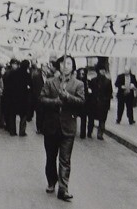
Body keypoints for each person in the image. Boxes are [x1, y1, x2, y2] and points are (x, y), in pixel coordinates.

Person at [40, 55, 85, 201]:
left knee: (65, 160)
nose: (66, 66)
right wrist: (55, 101)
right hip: (51, 126)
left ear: (73, 67)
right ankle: (51, 182)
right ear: (59, 66)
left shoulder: (78, 84)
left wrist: (68, 97)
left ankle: (63, 189)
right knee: (51, 158)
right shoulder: (50, 82)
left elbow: (82, 102)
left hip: (68, 127)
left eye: (69, 63)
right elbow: (41, 99)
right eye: (63, 63)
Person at [7, 60, 32, 137]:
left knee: (12, 114)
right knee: (23, 115)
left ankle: (12, 131)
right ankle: (22, 131)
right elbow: (30, 86)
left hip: (13, 98)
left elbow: (8, 85)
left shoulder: (13, 73)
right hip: (23, 99)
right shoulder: (27, 74)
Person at [89, 63, 113, 140]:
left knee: (102, 120)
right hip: (94, 103)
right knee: (91, 118)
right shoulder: (93, 80)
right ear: (98, 71)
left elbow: (110, 93)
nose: (102, 72)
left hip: (103, 103)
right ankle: (89, 131)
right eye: (101, 70)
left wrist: (107, 103)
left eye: (104, 70)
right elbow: (90, 91)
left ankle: (100, 134)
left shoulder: (108, 81)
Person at [30, 60, 45, 133]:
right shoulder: (36, 76)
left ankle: (43, 127)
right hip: (38, 97)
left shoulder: (49, 77)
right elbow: (33, 87)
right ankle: (39, 128)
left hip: (46, 98)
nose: (45, 68)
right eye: (44, 67)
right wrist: (35, 96)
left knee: (44, 113)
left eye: (46, 67)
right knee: (39, 113)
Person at [76, 68, 91, 139]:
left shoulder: (87, 82)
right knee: (73, 117)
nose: (82, 75)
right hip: (76, 102)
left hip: (85, 103)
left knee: (84, 118)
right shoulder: (75, 81)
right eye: (80, 73)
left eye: (83, 74)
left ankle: (83, 133)